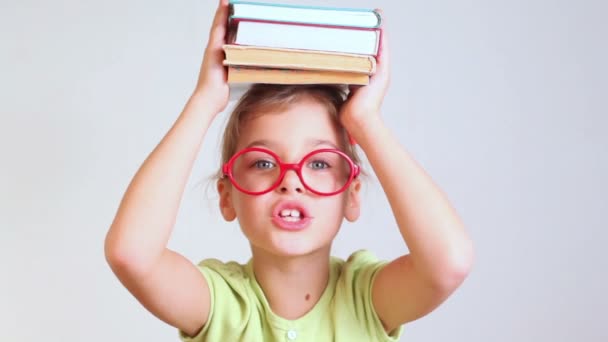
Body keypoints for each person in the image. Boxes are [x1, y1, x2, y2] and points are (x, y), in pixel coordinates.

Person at [104, 0, 474, 341]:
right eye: (264, 163)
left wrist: (366, 121)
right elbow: (133, 254)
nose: (291, 181)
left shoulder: (367, 299)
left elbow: (449, 263)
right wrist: (204, 102)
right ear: (227, 195)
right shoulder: (221, 304)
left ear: (351, 194)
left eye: (319, 163)